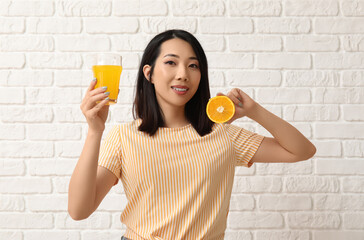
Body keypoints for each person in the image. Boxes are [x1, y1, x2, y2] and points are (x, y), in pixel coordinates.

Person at [68, 29, 316, 240]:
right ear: (149, 73)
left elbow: (302, 151)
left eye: (193, 65)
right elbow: (79, 210)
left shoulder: (224, 136)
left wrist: (254, 111)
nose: (183, 73)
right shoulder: (123, 137)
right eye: (171, 62)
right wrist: (94, 131)